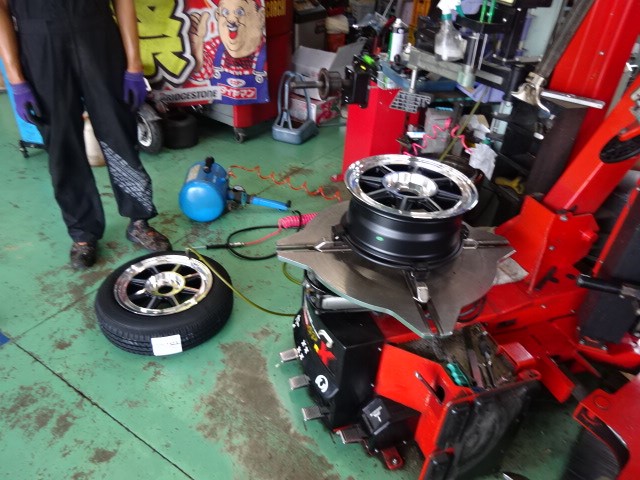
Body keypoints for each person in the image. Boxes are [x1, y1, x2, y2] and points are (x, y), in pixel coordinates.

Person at [0, 0, 171, 270]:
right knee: (63, 147)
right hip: (40, 48)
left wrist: (134, 66)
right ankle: (83, 233)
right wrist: (16, 79)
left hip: (99, 38)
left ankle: (139, 221)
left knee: (120, 137)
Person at [189, 0, 268, 104]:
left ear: (261, 17)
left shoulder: (268, 51)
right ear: (217, 16)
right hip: (220, 107)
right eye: (225, 12)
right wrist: (197, 46)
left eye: (240, 12)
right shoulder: (215, 46)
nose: (231, 20)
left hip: (261, 109)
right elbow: (200, 74)